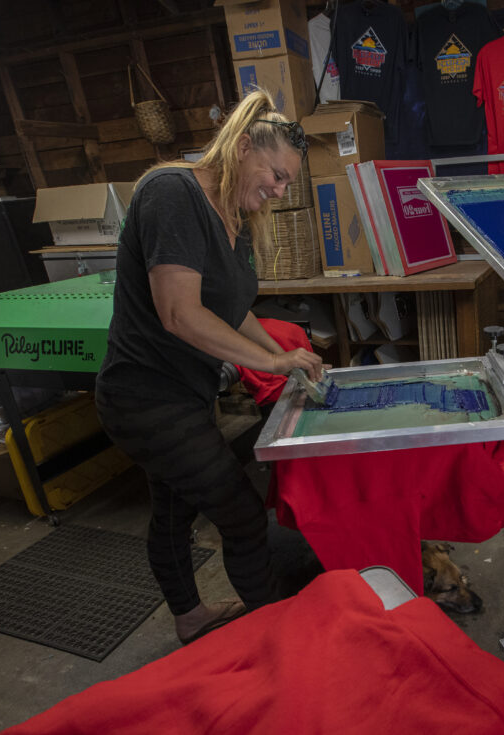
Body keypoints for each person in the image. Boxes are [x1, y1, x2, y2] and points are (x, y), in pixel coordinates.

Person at [95, 89, 323, 645]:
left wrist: (282, 354)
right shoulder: (172, 193)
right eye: (276, 174)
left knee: (172, 510)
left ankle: (190, 619)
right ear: (243, 146)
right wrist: (271, 358)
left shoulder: (235, 214)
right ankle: (283, 638)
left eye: (288, 181)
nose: (279, 189)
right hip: (144, 398)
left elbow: (232, 307)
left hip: (185, 395)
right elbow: (180, 313)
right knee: (242, 516)